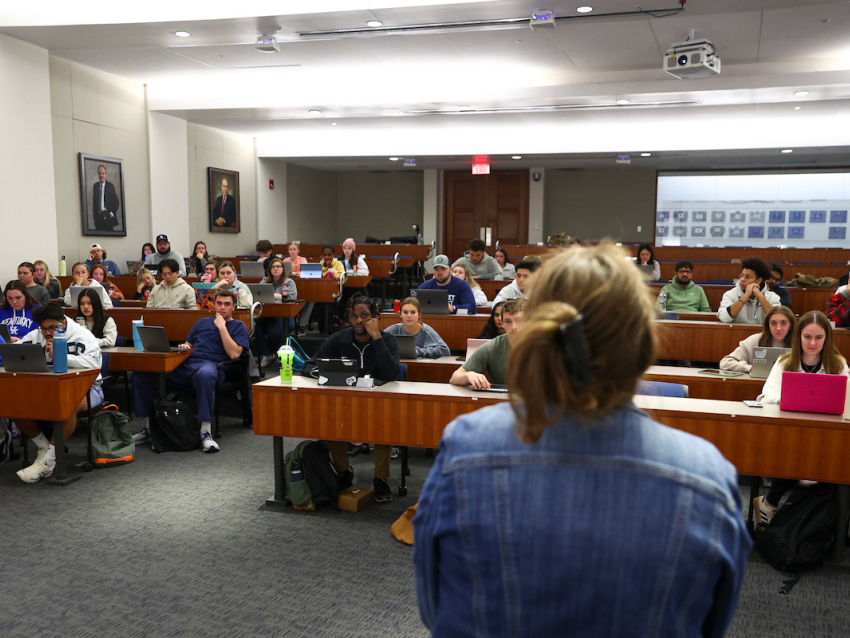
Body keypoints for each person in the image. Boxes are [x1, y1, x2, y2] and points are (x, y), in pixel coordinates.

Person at [413, 242, 751, 637]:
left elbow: (434, 608)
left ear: (539, 332)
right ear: (642, 343)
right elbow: (711, 623)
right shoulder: (709, 478)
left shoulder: (465, 448)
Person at [753, 311, 849, 527]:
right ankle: (769, 504)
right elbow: (765, 397)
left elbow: (847, 402)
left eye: (819, 337)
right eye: (807, 337)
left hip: (827, 433)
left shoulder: (839, 365)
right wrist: (791, 399)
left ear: (827, 338)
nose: (813, 343)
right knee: (796, 448)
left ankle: (826, 517)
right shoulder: (784, 362)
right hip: (790, 432)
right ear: (798, 337)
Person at [302, 295, 399, 502]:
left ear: (375, 317)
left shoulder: (387, 340)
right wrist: (327, 374)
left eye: (365, 316)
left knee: (385, 426)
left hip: (376, 403)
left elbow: (392, 373)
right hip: (345, 403)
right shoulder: (340, 338)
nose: (358, 321)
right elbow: (308, 366)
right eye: (354, 316)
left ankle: (380, 479)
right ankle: (344, 470)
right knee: (328, 421)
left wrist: (376, 337)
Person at [132, 289, 250, 453]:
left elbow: (234, 353)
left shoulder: (238, 326)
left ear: (234, 307)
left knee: (205, 374)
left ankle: (205, 432)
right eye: (219, 303)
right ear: (214, 305)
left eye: (227, 304)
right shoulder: (201, 322)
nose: (222, 307)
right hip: (187, 363)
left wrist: (222, 328)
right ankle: (148, 428)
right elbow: (190, 344)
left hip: (213, 366)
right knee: (141, 376)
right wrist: (185, 346)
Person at [13, 303, 104, 483]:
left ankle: (49, 461)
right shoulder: (37, 335)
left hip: (89, 389)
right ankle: (45, 449)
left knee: (67, 404)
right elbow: (17, 353)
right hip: (49, 388)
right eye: (43, 328)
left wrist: (61, 356)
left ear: (63, 323)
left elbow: (95, 364)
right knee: (15, 405)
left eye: (52, 328)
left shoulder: (83, 335)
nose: (47, 332)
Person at [450, 298, 523, 389]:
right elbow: (455, 378)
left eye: (519, 320)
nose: (514, 327)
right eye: (508, 321)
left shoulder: (544, 345)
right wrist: (468, 375)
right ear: (502, 323)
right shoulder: (492, 347)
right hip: (502, 399)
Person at [720, 306, 796, 372]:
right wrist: (750, 368)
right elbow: (725, 363)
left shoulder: (799, 342)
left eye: (783, 323)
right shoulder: (755, 340)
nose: (778, 328)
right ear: (768, 325)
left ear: (790, 325)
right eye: (773, 323)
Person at [257, 257, 298, 366]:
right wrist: (276, 296)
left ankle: (275, 353)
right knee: (252, 327)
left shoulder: (289, 282)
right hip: (266, 314)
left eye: (278, 266)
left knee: (274, 333)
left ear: (283, 269)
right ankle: (268, 354)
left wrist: (276, 296)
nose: (275, 269)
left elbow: (292, 297)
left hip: (284, 315)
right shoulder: (264, 281)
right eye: (273, 267)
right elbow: (259, 295)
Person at [717, 257, 781, 325]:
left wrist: (759, 295)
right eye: (742, 276)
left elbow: (777, 319)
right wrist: (746, 296)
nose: (742, 279)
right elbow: (724, 318)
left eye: (747, 277)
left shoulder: (772, 297)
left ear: (759, 280)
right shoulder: (730, 294)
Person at [384, 297, 451, 359]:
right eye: (405, 312)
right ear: (400, 314)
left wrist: (419, 351)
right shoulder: (393, 329)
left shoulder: (426, 330)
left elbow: (445, 350)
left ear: (419, 314)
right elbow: (377, 342)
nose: (409, 316)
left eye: (413, 312)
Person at [92, 164, 120, 231]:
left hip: (108, 217)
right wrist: (95, 217)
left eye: (103, 173)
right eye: (100, 173)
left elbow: (116, 202)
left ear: (106, 174)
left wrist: (112, 213)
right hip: (98, 218)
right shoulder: (95, 186)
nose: (102, 175)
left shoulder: (110, 186)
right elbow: (95, 203)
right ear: (98, 174)